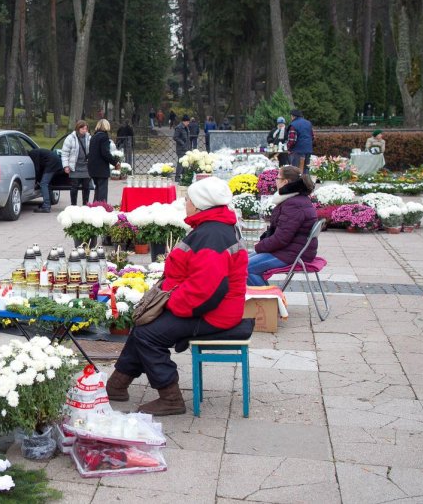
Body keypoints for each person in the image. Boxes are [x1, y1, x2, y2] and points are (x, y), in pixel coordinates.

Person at [105, 177, 248, 416]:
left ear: (202, 204)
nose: (185, 202)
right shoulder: (212, 226)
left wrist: (170, 304)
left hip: (213, 312)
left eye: (189, 199)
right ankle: (116, 386)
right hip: (206, 305)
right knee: (143, 324)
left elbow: (206, 290)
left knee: (148, 334)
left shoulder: (211, 234)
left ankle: (170, 398)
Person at [246, 166, 317, 286]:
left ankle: (269, 301)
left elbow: (281, 238)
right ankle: (266, 300)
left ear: (285, 182)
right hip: (292, 250)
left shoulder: (293, 204)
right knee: (242, 263)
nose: (275, 181)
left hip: (292, 253)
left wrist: (260, 246)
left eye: (277, 178)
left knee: (245, 268)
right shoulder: (296, 199)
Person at [87, 119, 120, 204]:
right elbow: (105, 153)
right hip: (101, 168)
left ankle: (95, 206)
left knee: (97, 189)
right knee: (102, 189)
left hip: (92, 167)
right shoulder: (104, 137)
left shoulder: (93, 137)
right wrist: (115, 162)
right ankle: (102, 207)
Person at [62, 120, 92, 205]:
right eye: (82, 128)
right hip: (74, 167)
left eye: (86, 129)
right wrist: (66, 166)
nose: (84, 130)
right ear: (78, 128)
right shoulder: (70, 138)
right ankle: (73, 205)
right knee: (74, 188)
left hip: (86, 167)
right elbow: (65, 153)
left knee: (86, 188)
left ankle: (85, 205)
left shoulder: (89, 138)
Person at [29, 148, 63, 213]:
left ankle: (46, 206)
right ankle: (48, 203)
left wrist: (35, 182)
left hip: (52, 164)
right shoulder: (36, 152)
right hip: (57, 163)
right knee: (47, 184)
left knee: (43, 184)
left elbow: (37, 169)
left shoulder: (32, 154)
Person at [173, 115, 192, 182]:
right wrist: (182, 143)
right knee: (180, 163)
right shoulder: (179, 127)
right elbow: (175, 137)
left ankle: (184, 176)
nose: (188, 123)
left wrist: (189, 147)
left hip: (186, 148)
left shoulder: (186, 127)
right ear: (184, 121)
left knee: (185, 162)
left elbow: (187, 138)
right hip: (181, 149)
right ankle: (177, 177)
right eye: (188, 122)